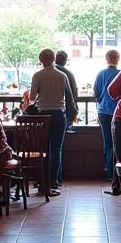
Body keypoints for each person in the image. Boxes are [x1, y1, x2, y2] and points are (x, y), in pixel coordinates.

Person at [27, 48, 73, 196]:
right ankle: (53, 182)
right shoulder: (62, 75)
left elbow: (32, 97)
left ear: (41, 60)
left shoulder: (37, 75)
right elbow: (69, 96)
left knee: (43, 150)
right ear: (53, 59)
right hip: (59, 114)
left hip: (42, 115)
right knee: (56, 150)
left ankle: (42, 181)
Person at [94, 49, 121, 195]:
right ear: (117, 59)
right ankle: (117, 175)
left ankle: (109, 173)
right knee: (118, 143)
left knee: (108, 143)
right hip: (118, 112)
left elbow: (96, 93)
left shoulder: (101, 74)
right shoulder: (120, 73)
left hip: (103, 111)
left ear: (106, 59)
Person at [53, 50, 78, 186]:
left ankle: (52, 178)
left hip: (47, 115)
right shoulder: (68, 74)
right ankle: (58, 178)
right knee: (58, 147)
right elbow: (74, 94)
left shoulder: (43, 73)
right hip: (65, 114)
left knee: (51, 148)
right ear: (65, 60)